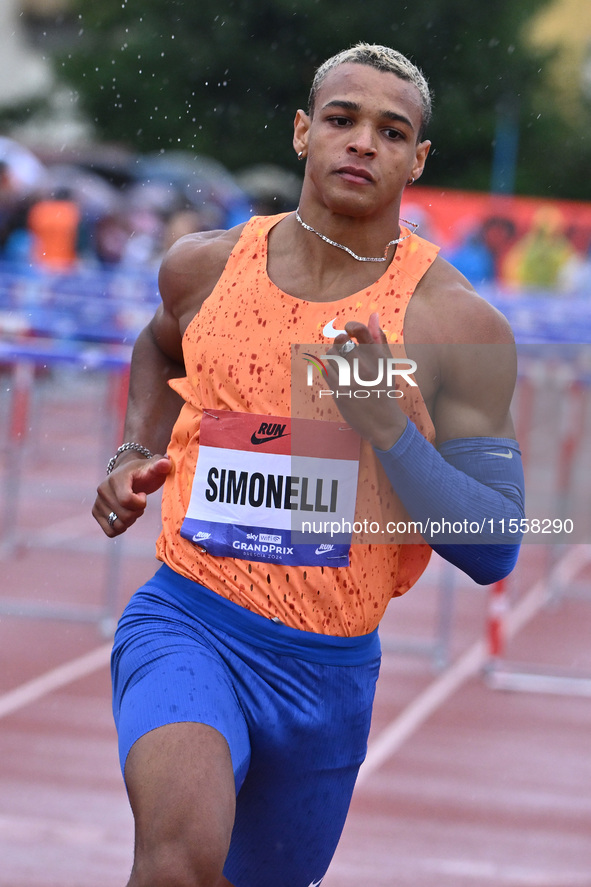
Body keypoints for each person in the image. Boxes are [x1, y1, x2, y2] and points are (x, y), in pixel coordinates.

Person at [93, 43, 525, 887]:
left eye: (390, 131)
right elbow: (157, 345)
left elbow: (495, 547)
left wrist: (389, 431)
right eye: (341, 119)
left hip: (326, 673)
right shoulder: (204, 267)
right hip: (189, 620)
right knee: (177, 858)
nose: (362, 142)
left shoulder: (452, 324)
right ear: (302, 132)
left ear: (417, 158)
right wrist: (134, 449)